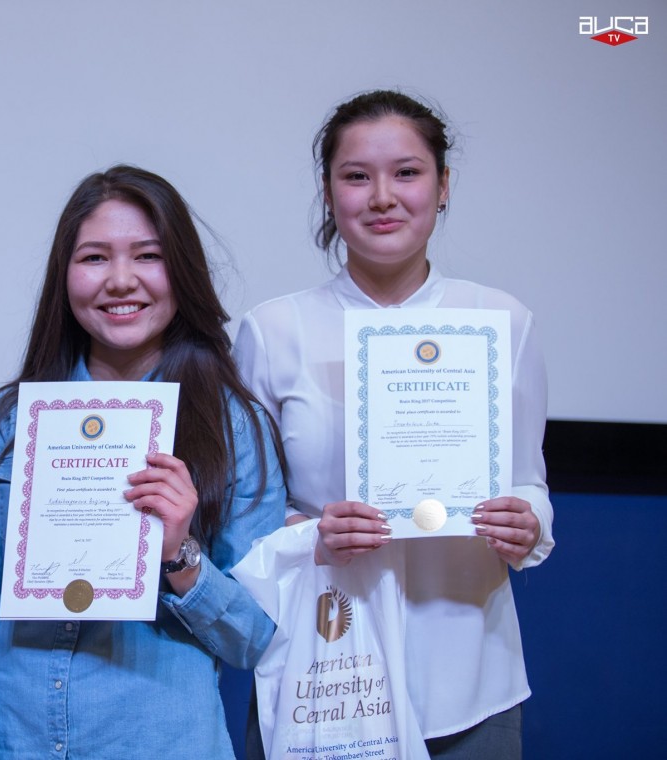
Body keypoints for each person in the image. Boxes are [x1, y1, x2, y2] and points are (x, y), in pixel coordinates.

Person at [234, 90, 554, 758]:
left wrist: (527, 523)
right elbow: (249, 516)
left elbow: (529, 481)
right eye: (356, 176)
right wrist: (313, 533)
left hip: (470, 673)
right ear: (329, 194)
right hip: (325, 678)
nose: (382, 196)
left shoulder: (501, 322)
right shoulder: (273, 330)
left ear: (443, 186)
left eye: (407, 172)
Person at [0, 165, 288, 759]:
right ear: (64, 274)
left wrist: (181, 555)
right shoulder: (9, 420)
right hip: (19, 742)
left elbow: (255, 639)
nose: (121, 281)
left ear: (182, 270)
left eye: (148, 256)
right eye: (95, 258)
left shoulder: (232, 425)